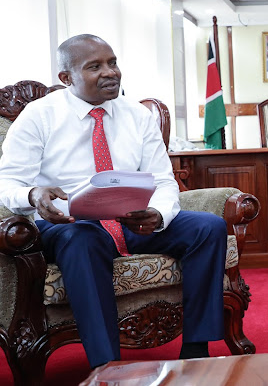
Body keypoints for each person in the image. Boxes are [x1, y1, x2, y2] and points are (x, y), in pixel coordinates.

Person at [0, 34, 227, 368]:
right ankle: (107, 366)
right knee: (83, 239)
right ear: (67, 78)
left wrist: (158, 214)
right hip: (67, 222)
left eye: (112, 62)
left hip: (128, 219)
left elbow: (163, 179)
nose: (110, 72)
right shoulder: (38, 116)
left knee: (209, 228)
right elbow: (8, 183)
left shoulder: (136, 115)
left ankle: (196, 352)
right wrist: (33, 195)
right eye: (95, 67)